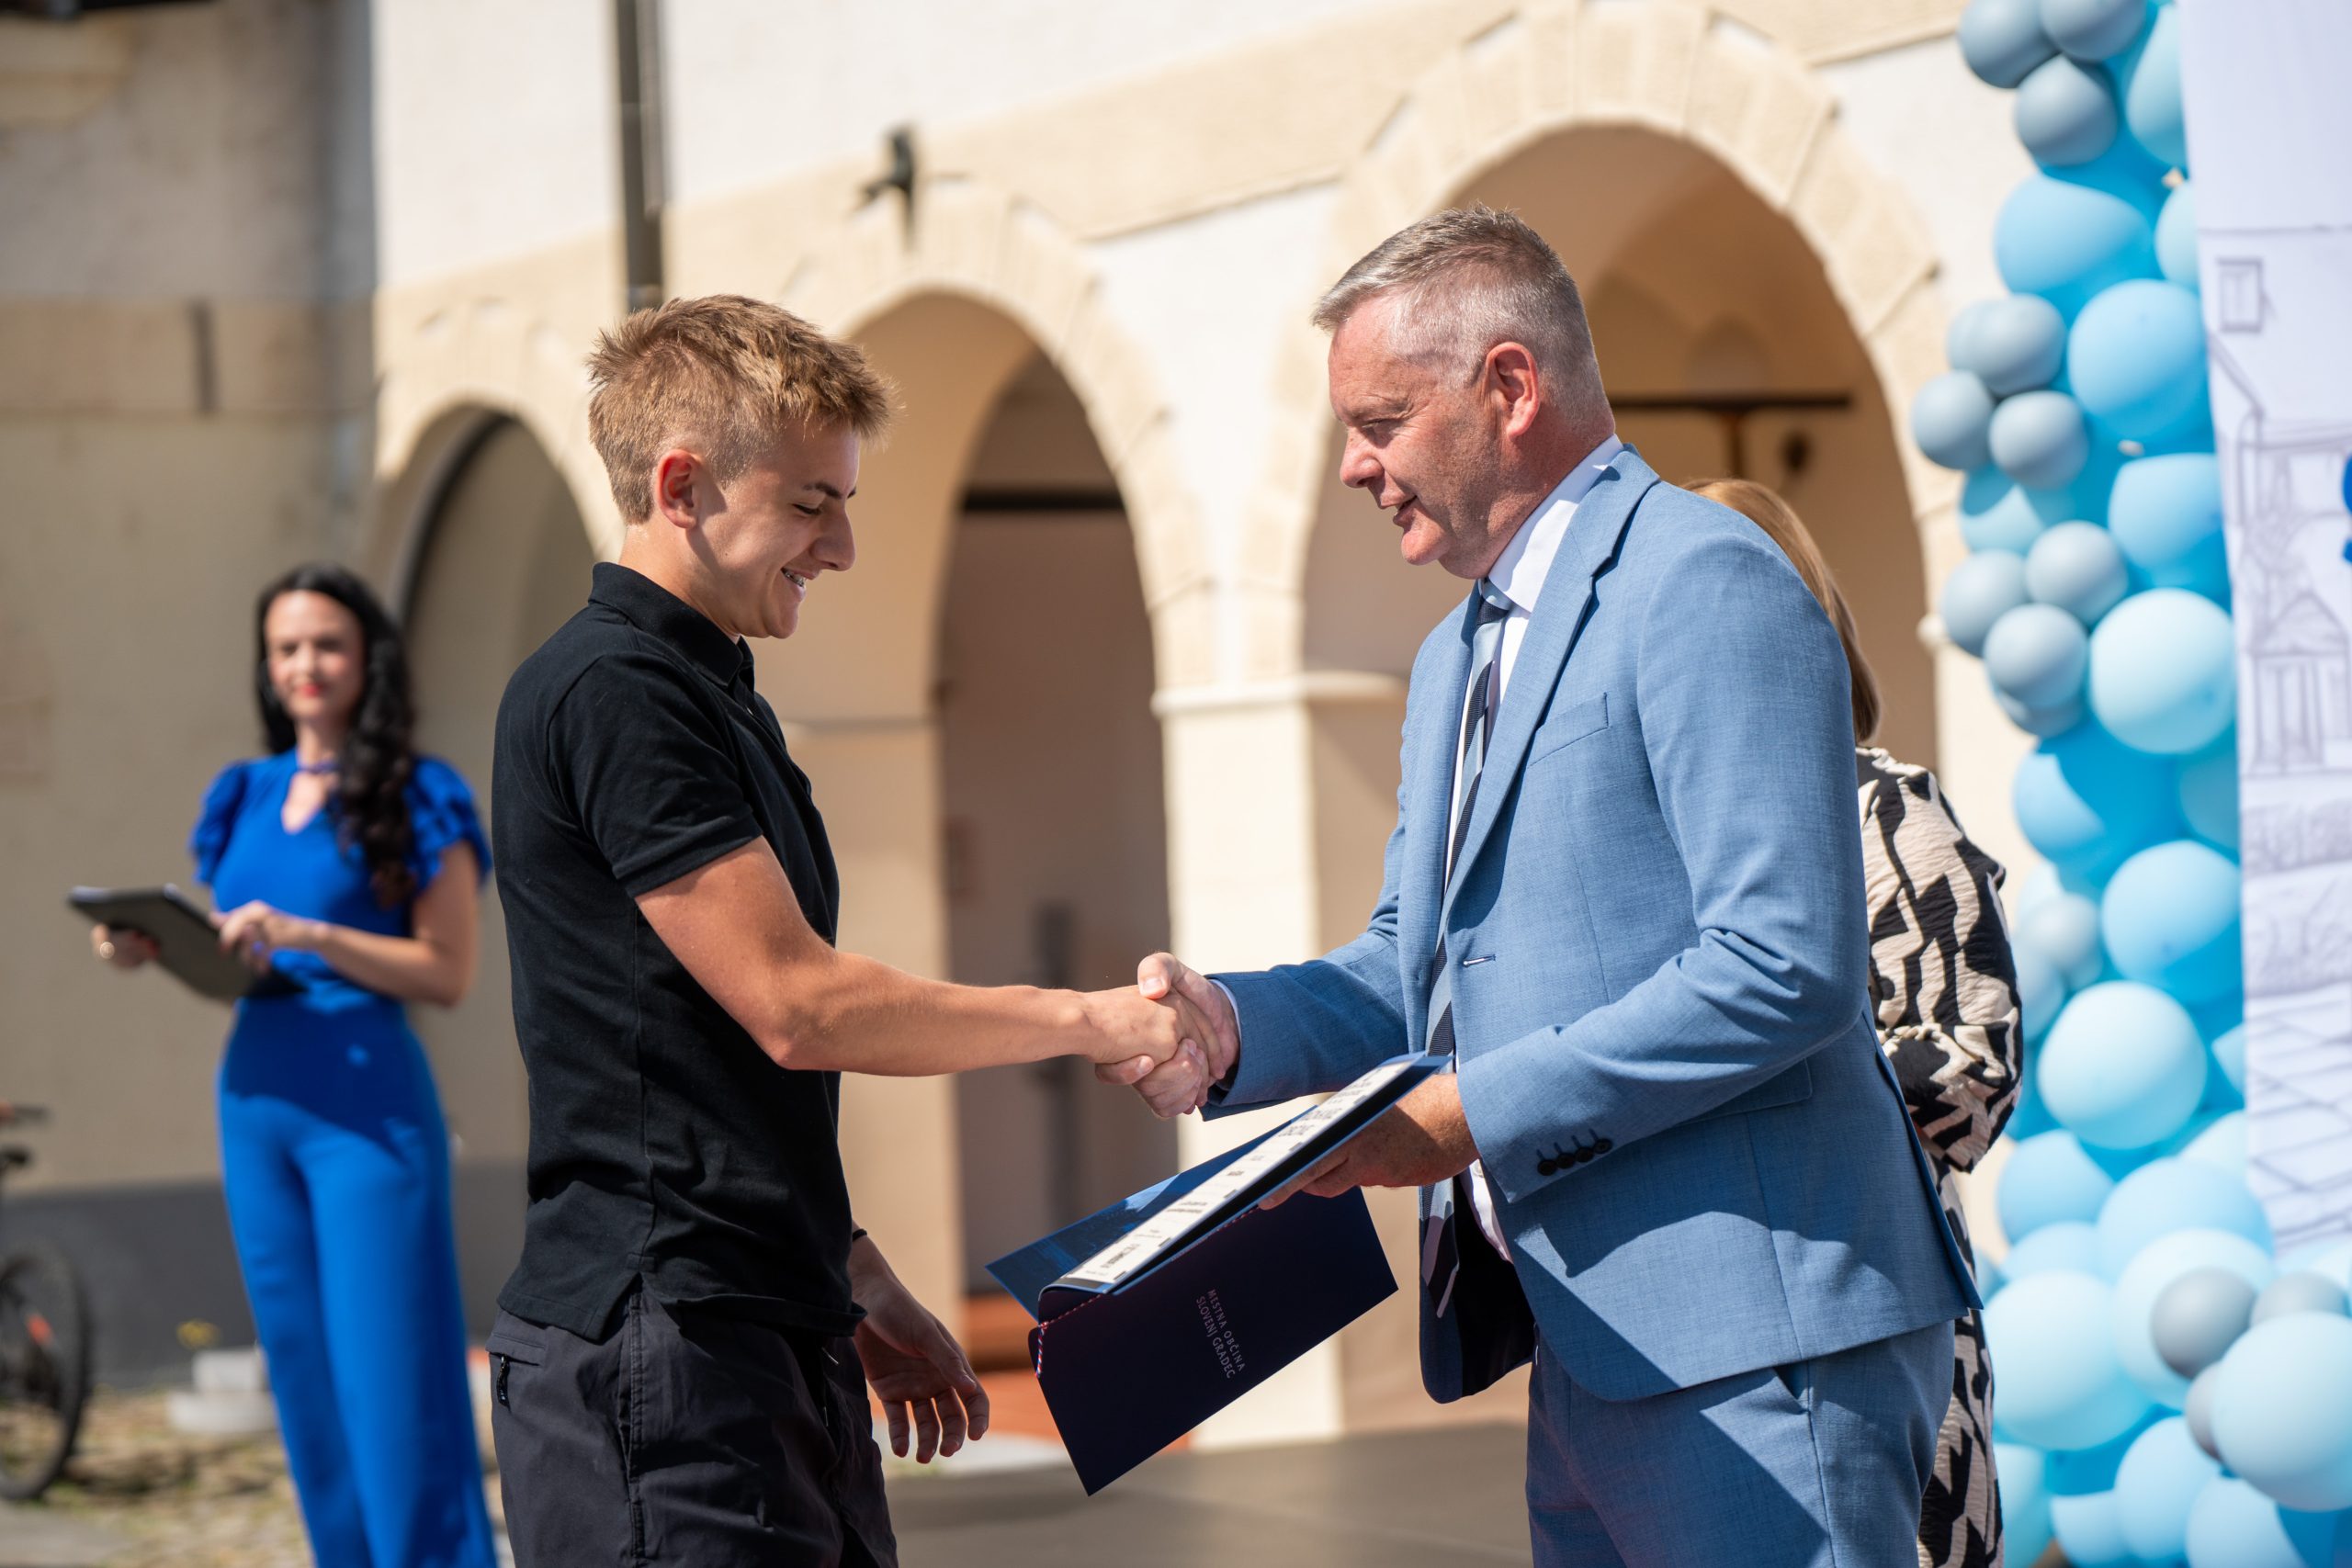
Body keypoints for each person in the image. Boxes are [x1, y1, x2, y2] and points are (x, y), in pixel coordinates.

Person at [1116, 209, 1975, 1567]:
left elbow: (1781, 965)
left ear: (1510, 387)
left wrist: (1468, 1113)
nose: (1353, 466)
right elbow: (1415, 960)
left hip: (1757, 1343)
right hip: (1585, 1344)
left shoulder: (1705, 576)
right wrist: (1234, 1024)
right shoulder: (1453, 655)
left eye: (1381, 421)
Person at [485, 295, 1207, 1568]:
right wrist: (1088, 1019)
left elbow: (701, 1068)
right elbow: (797, 1004)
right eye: (812, 503)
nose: (845, 546)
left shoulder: (708, 688)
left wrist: (852, 1273)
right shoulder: (616, 689)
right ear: (682, 485)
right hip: (668, 1353)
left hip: (749, 1328)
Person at [92, 563, 497, 1568]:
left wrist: (312, 933)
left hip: (366, 1108)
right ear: (265, 665)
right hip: (255, 1101)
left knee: (392, 1383)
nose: (303, 664)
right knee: (306, 1384)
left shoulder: (420, 793)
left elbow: (447, 973)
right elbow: (238, 964)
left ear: (367, 658)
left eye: (325, 643)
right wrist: (155, 948)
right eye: (285, 647)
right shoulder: (244, 792)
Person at [1695, 477, 2021, 1568]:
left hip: (1873, 1318)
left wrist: (1721, 1090)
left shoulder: (1882, 806)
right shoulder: (1652, 840)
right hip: (1696, 1350)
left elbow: (1971, 1063)